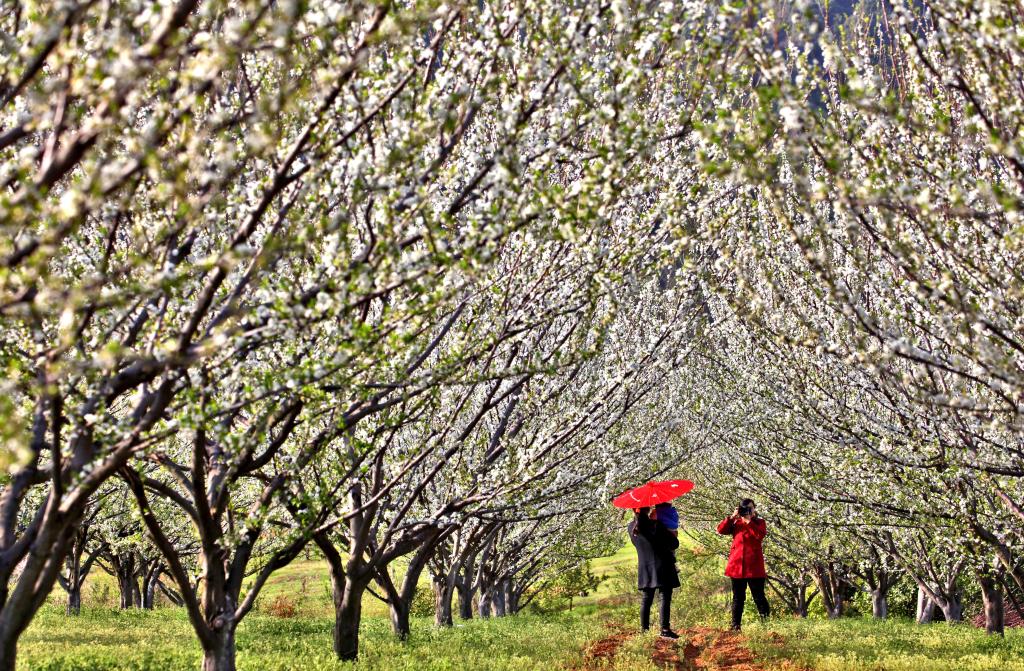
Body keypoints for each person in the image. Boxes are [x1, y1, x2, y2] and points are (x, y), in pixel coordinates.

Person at [716, 498, 770, 631]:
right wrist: (732, 517)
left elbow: (759, 535)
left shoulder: (760, 522)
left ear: (754, 509)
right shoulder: (736, 522)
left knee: (759, 597)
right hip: (737, 567)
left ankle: (766, 624)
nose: (748, 511)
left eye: (751, 508)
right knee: (738, 598)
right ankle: (735, 626)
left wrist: (749, 522)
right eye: (745, 508)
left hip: (754, 568)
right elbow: (721, 530)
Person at [628, 506, 680, 638]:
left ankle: (644, 631)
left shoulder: (631, 527)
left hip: (645, 566)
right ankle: (665, 630)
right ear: (648, 509)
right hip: (663, 565)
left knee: (646, 599)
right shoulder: (656, 525)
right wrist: (671, 532)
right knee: (664, 597)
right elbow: (674, 544)